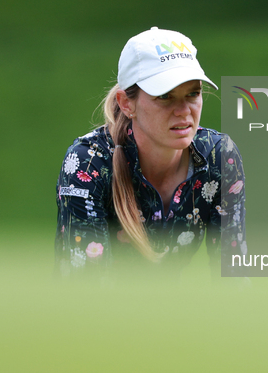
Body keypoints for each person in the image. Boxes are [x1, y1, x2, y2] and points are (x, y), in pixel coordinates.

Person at [55, 27, 246, 280]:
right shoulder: (88, 162)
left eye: (193, 94)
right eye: (165, 96)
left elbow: (234, 279)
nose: (183, 110)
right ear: (126, 103)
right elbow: (84, 288)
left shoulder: (219, 156)